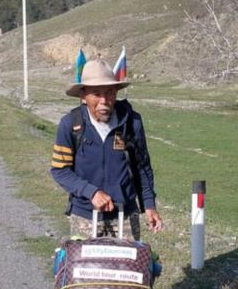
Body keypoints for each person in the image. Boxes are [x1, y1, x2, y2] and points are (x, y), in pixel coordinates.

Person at [50, 56, 162, 240]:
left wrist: (149, 205)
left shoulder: (132, 123)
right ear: (83, 96)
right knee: (86, 268)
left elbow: (142, 168)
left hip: (126, 216)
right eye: (96, 93)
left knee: (126, 267)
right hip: (84, 216)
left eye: (110, 92)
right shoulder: (70, 125)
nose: (104, 100)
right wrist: (91, 192)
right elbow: (60, 171)